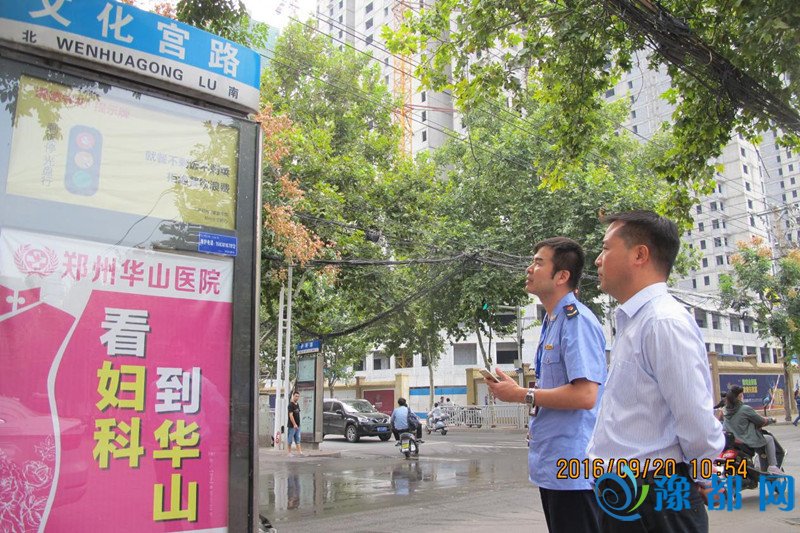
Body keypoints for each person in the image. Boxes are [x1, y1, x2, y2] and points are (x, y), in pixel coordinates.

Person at [587, 210, 724, 532]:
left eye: (606, 248)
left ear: (640, 254)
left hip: (655, 497)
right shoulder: (634, 322)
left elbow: (694, 415)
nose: (597, 260)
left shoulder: (664, 322)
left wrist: (707, 476)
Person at [486, 237, 606, 532]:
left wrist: (521, 394)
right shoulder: (552, 321)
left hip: (574, 467)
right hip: (554, 462)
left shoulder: (576, 321)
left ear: (562, 276)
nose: (529, 269)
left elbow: (586, 395)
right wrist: (519, 391)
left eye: (539, 263)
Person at [723, 384, 783, 474]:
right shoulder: (745, 409)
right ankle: (772, 466)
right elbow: (761, 421)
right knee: (769, 439)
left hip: (732, 442)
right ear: (740, 396)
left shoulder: (725, 410)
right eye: (742, 395)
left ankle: (759, 466)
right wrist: (772, 420)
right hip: (745, 440)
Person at [287, 391, 303, 456]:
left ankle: (300, 452)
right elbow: (291, 415)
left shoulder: (297, 404)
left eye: (298, 396)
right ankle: (289, 453)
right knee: (290, 439)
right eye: (296, 396)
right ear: (293, 396)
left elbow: (298, 414)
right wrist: (294, 424)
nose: (297, 397)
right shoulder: (290, 405)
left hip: (298, 425)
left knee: (297, 439)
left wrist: (298, 424)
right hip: (292, 426)